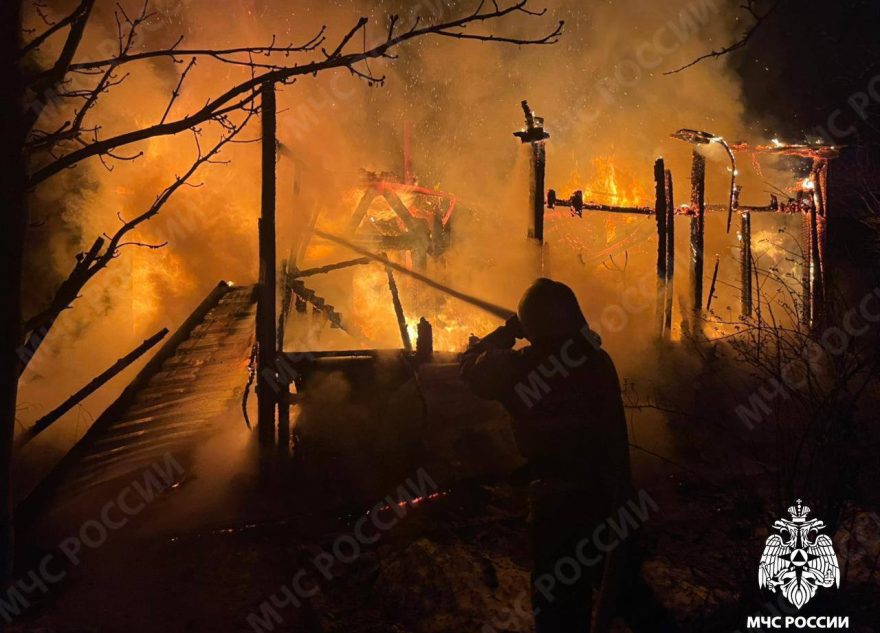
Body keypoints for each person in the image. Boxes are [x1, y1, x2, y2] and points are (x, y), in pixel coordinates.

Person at [460, 278, 674, 633]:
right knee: (629, 597)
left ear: (533, 325)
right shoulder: (597, 362)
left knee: (559, 610)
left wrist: (506, 332)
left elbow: (470, 368)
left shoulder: (522, 368)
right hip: (607, 501)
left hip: (557, 510)